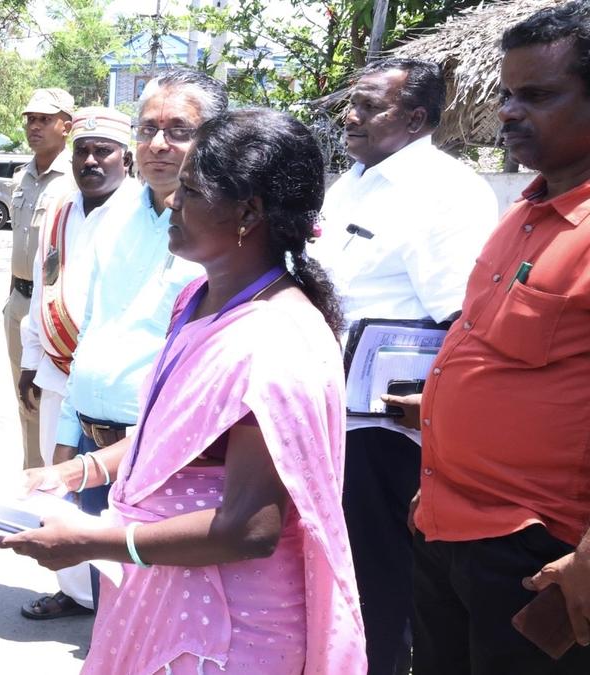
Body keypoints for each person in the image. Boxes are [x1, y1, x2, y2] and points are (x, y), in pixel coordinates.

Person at [0, 109, 366, 674]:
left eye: (191, 191)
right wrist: (76, 473)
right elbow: (170, 440)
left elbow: (250, 527)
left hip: (229, 630)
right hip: (166, 596)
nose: (170, 202)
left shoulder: (274, 339)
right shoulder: (196, 300)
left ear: (247, 213)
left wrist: (97, 542)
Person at [384, 3, 590, 672]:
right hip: (446, 528)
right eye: (506, 93)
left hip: (538, 554)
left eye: (536, 95)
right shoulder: (522, 215)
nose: (507, 111)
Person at [309, 58, 497, 674]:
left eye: (368, 106)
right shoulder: (353, 181)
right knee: (346, 569)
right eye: (353, 103)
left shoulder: (446, 192)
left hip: (391, 427)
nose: (350, 115)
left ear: (416, 118)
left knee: (383, 581)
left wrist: (437, 412)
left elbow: (462, 318)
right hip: (336, 412)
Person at [48, 69, 223, 613]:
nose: (157, 145)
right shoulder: (114, 212)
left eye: (178, 129)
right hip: (91, 445)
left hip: (168, 456)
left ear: (213, 138)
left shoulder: (230, 228)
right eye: (148, 129)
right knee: (109, 609)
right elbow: (94, 326)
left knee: (163, 610)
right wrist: (65, 433)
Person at [17, 106, 139, 620]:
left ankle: (123, 603)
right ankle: (75, 591)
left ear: (126, 159)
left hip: (121, 382)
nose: (90, 160)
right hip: (58, 370)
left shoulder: (143, 214)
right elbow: (44, 287)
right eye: (82, 151)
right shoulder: (64, 209)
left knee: (121, 501)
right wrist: (29, 358)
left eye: (103, 151)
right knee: (58, 482)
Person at [7, 88, 74, 471]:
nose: (35, 126)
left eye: (45, 119)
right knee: (25, 400)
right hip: (18, 300)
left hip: (54, 307)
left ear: (66, 125)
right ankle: (31, 479)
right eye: (31, 119)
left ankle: (54, 481)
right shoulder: (23, 177)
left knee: (51, 397)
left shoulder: (76, 178)